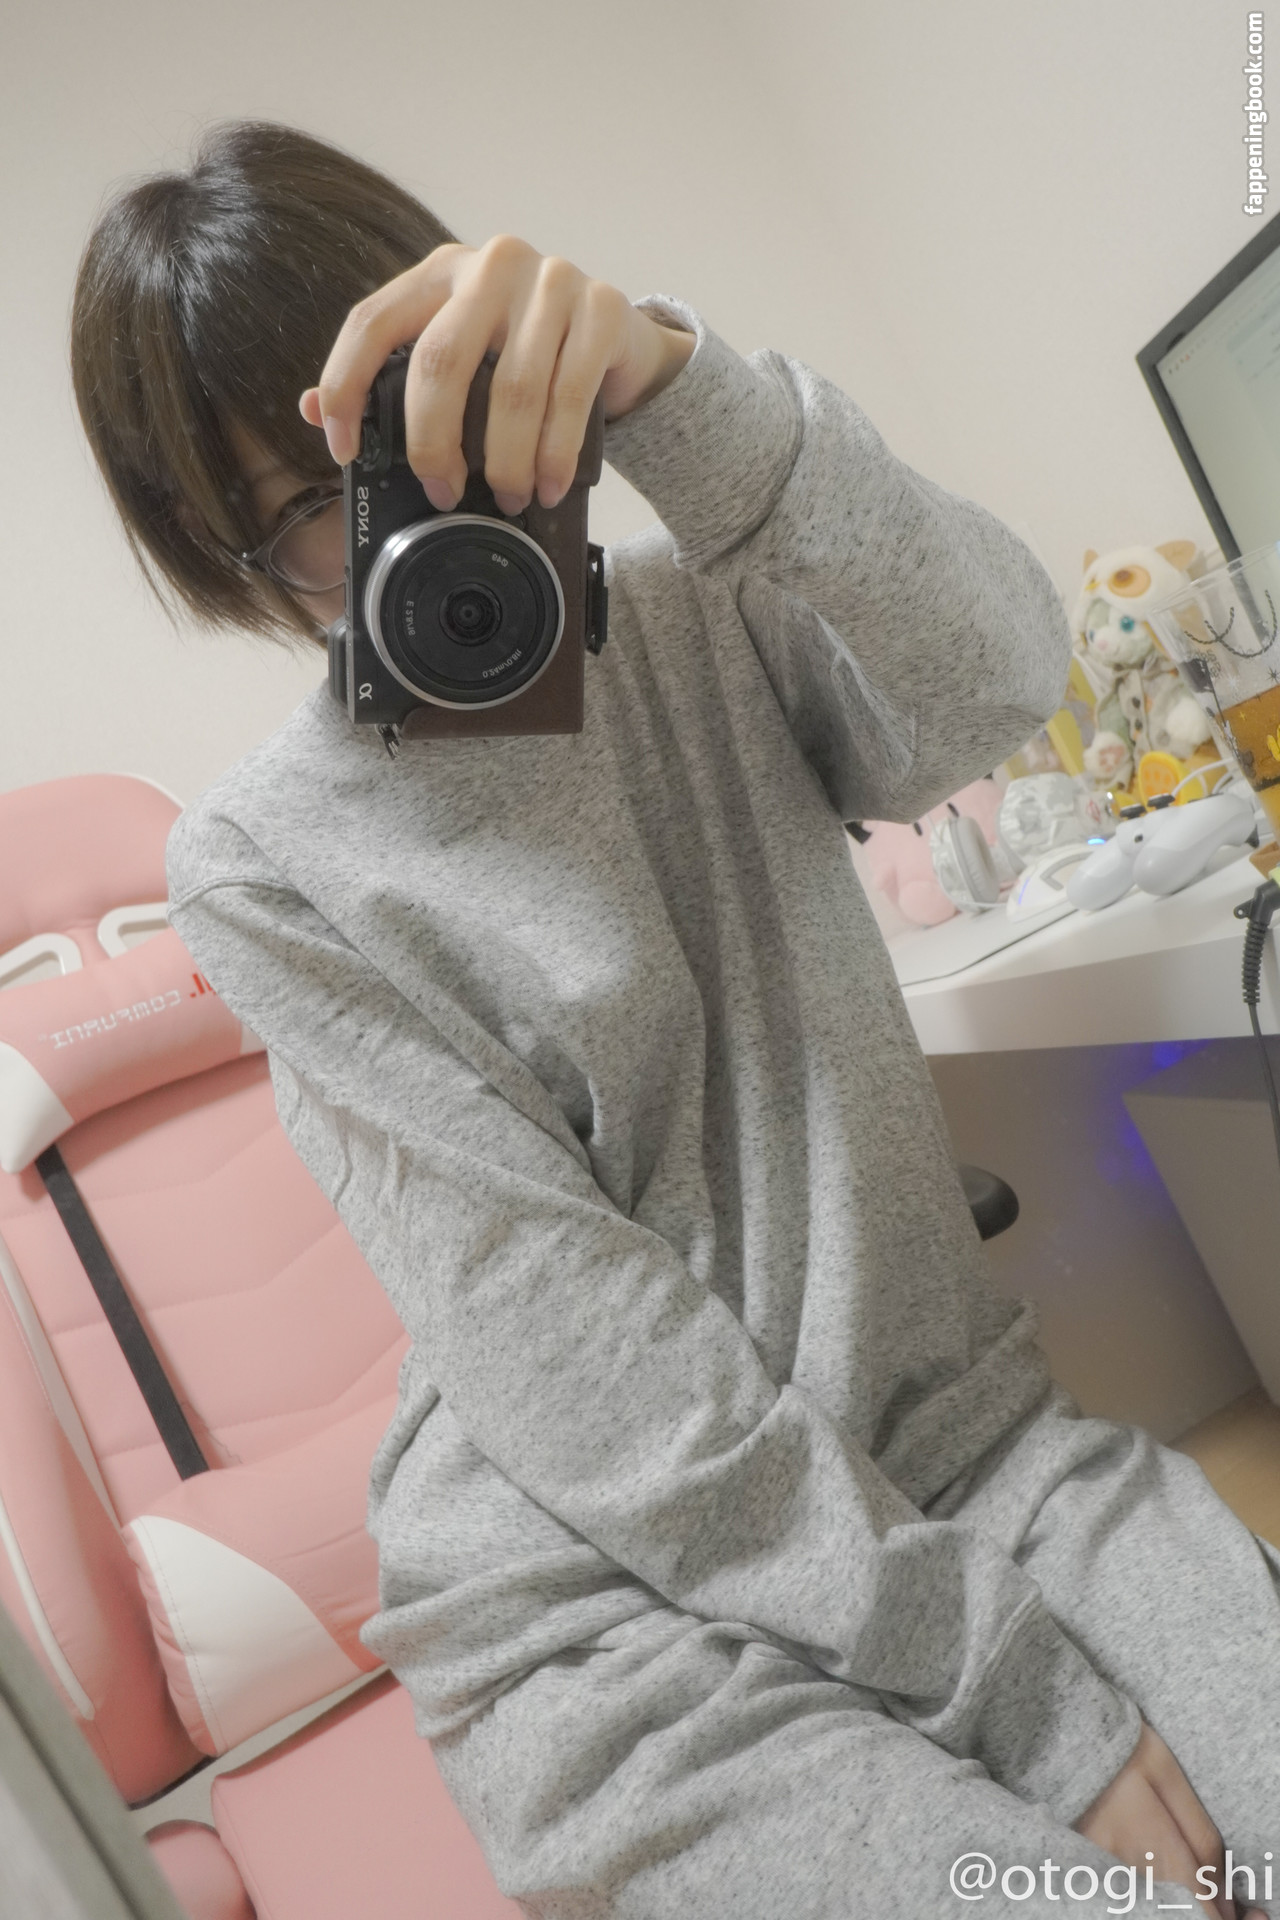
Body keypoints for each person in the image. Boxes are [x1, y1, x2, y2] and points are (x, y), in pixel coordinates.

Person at [70, 120, 1279, 1920]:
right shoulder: (262, 866)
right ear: (222, 551)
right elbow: (595, 1374)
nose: (398, 524)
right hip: (613, 1619)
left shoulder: (704, 612)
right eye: (308, 508)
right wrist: (1035, 1705)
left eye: (403, 437)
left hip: (981, 1456)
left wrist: (680, 387)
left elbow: (996, 677)